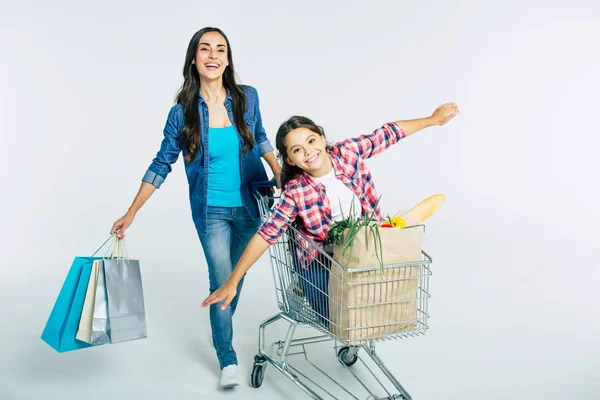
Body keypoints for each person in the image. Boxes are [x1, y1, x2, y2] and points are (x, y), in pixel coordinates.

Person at [110, 27, 281, 388]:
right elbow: (161, 164)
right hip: (211, 213)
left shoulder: (248, 98)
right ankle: (227, 356)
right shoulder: (182, 113)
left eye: (220, 49)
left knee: (237, 276)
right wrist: (131, 212)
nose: (213, 55)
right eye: (205, 49)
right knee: (222, 281)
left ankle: (219, 328)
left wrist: (279, 171)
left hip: (252, 206)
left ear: (228, 59)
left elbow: (262, 136)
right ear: (194, 58)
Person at [201, 103, 459, 319]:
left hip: (362, 246)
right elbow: (266, 235)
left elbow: (389, 133)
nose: (308, 152)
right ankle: (304, 285)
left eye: (311, 141)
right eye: (297, 150)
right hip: (321, 259)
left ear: (322, 138)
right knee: (333, 315)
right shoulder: (296, 191)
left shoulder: (347, 153)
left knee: (372, 306)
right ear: (290, 160)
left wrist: (433, 119)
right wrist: (233, 280)